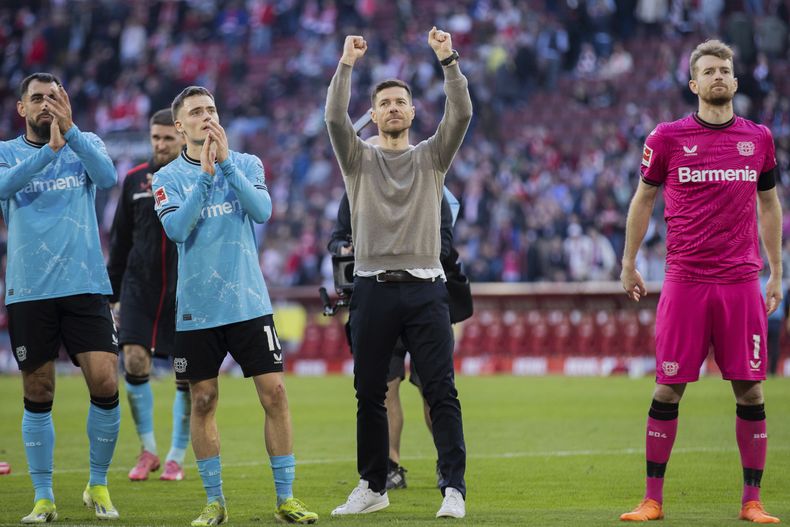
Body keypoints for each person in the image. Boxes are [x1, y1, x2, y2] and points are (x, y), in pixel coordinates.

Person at [619, 40, 782, 524]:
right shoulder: (667, 137)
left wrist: (777, 271)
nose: (717, 77)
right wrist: (628, 262)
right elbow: (643, 199)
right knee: (668, 389)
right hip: (685, 281)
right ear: (693, 84)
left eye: (724, 70)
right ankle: (652, 500)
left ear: (734, 81)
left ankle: (752, 502)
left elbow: (770, 205)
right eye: (708, 71)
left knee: (750, 392)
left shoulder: (759, 139)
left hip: (740, 283)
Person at [152, 86, 317, 526]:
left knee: (276, 394)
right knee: (203, 400)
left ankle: (286, 498)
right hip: (198, 310)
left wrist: (223, 164)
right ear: (180, 125)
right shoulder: (167, 178)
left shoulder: (245, 163)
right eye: (196, 112)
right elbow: (178, 232)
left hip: (248, 302)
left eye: (211, 109)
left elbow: (262, 210)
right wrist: (205, 178)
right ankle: (214, 501)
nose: (206, 117)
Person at [325, 28, 472, 519]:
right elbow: (332, 116)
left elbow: (463, 113)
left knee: (440, 390)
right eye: (384, 102)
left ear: (412, 113)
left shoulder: (432, 156)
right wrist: (346, 64)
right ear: (374, 113)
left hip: (428, 288)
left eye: (400, 102)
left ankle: (454, 488)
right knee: (369, 392)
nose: (392, 108)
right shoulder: (357, 159)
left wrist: (447, 59)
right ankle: (373, 485)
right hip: (371, 287)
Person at [0, 73, 121, 522]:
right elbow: (2, 188)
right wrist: (47, 153)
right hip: (30, 289)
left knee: (106, 382)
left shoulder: (84, 141)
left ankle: (98, 484)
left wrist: (68, 135)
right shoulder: (6, 152)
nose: (45, 104)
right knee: (38, 387)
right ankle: (44, 496)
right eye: (37, 99)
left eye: (53, 97)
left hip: (86, 282)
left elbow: (107, 178)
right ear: (22, 109)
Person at [328, 186, 467, 491]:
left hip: (423, 298)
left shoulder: (429, 183)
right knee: (384, 389)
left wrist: (395, 249)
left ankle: (446, 467)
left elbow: (443, 245)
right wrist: (345, 250)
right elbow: (337, 238)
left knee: (434, 390)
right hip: (377, 298)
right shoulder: (356, 189)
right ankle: (390, 466)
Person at [107, 108, 190, 482]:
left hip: (183, 287)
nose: (159, 144)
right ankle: (149, 450)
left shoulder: (196, 177)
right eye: (155, 138)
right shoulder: (134, 180)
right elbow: (120, 239)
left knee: (186, 375)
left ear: (182, 138)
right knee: (134, 361)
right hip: (138, 287)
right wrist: (112, 293)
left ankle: (176, 455)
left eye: (167, 138)